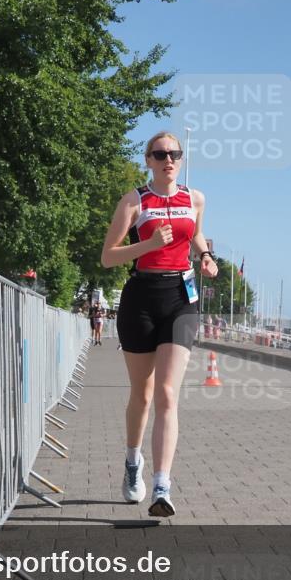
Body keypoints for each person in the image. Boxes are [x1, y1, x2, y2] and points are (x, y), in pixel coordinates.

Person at [101, 132, 217, 517]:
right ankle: (133, 463)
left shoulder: (194, 198)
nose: (169, 159)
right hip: (141, 299)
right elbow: (108, 257)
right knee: (144, 394)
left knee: (168, 393)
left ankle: (161, 487)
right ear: (148, 160)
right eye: (161, 154)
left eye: (175, 154)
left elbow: (196, 233)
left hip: (180, 299)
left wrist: (205, 255)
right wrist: (147, 246)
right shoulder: (135, 201)